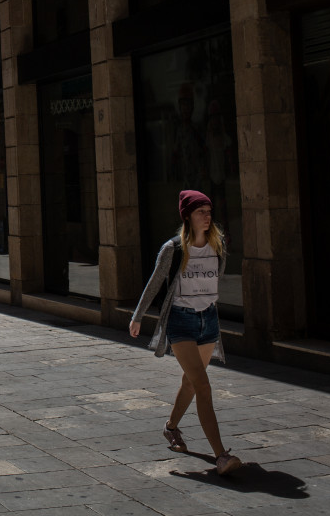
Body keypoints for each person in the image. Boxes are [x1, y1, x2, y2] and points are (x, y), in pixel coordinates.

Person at [129, 190, 241, 475]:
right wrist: (138, 316)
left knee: (191, 383)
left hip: (209, 322)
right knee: (203, 386)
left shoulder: (218, 245)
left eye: (208, 211)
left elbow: (218, 279)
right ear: (188, 216)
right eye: (201, 211)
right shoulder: (174, 248)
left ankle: (171, 428)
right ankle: (221, 455)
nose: (207, 216)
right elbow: (155, 283)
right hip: (181, 322)